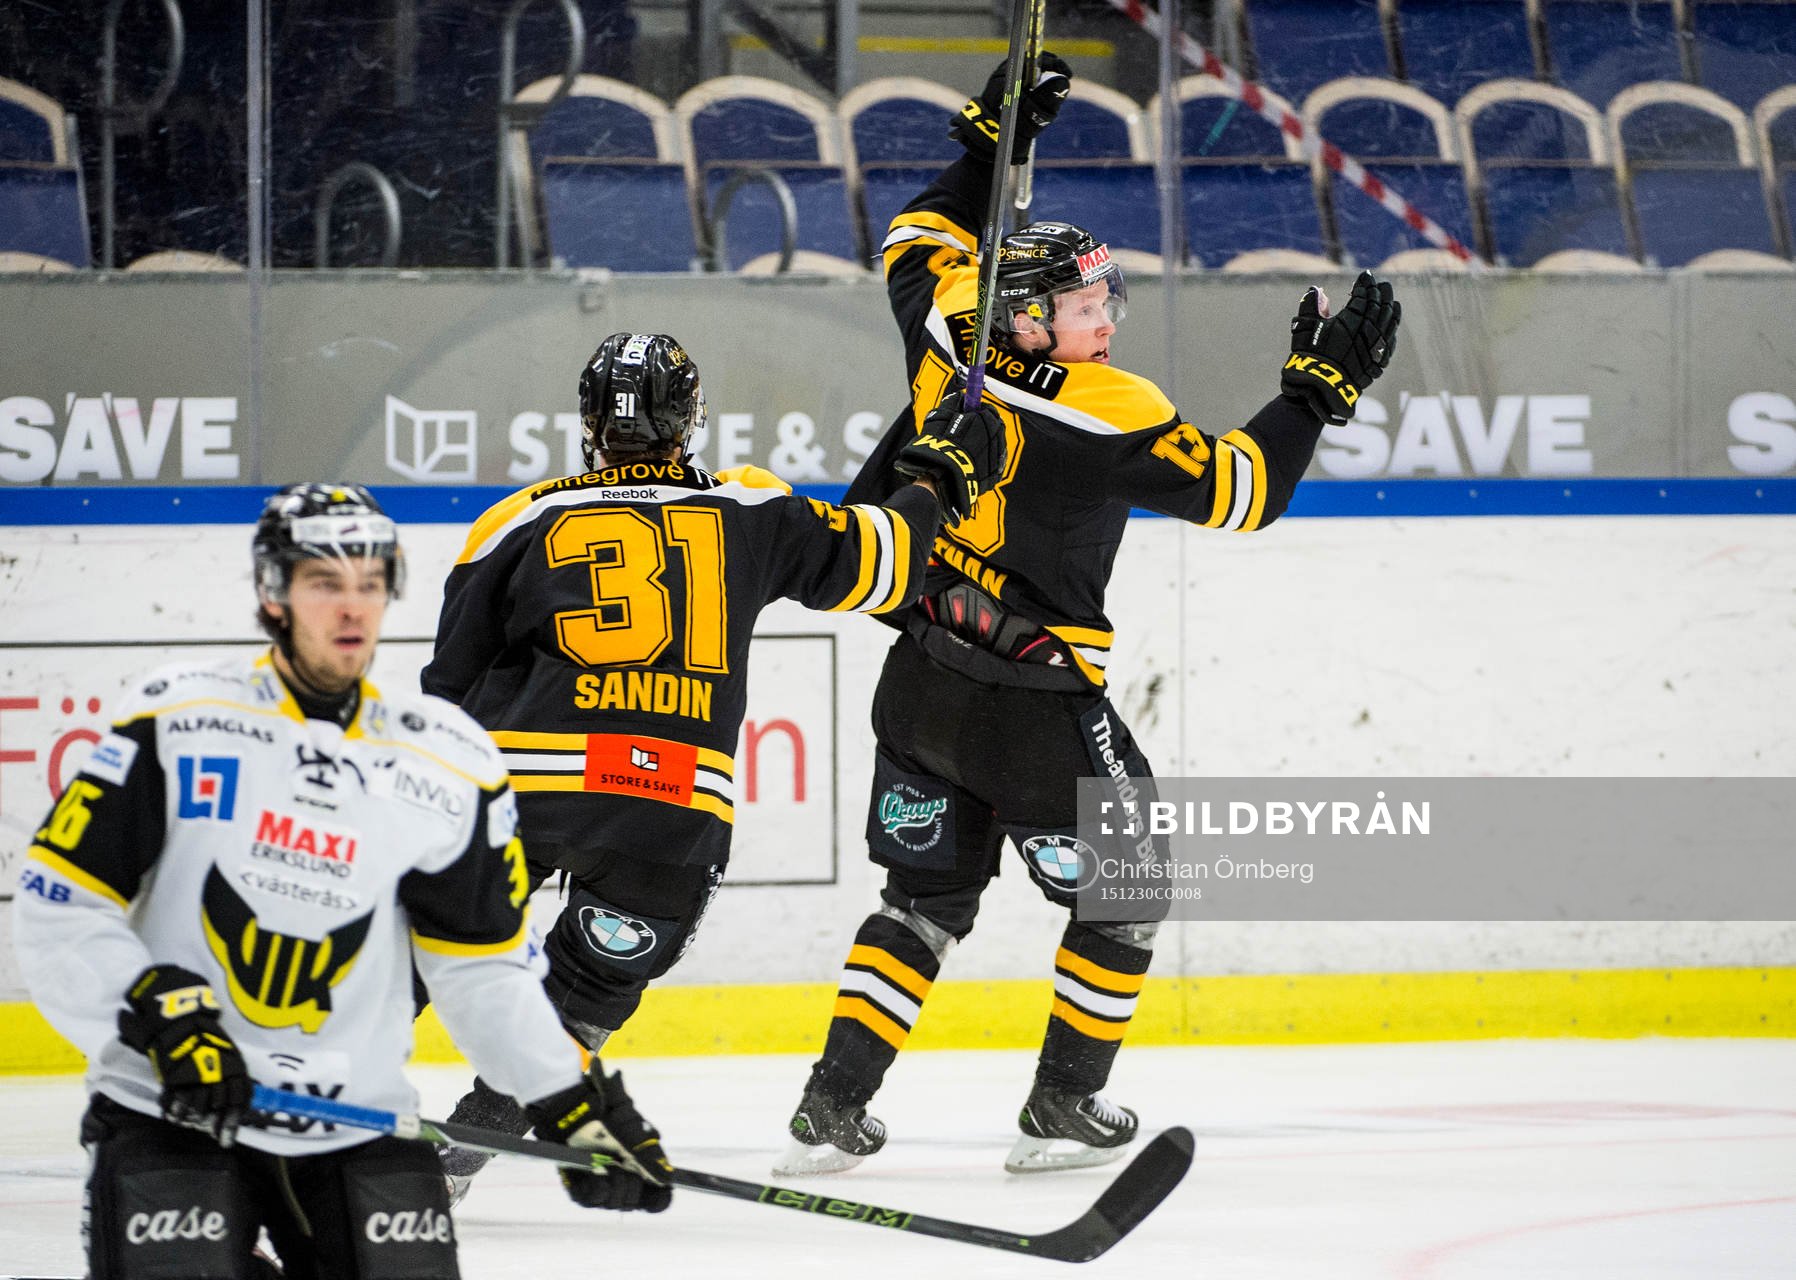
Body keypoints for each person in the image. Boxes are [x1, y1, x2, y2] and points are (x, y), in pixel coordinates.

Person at [775, 56, 1401, 1176]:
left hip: (918, 682)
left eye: (1105, 298)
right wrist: (1316, 386)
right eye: (1078, 306)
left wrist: (987, 140)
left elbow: (914, 236)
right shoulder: (1107, 412)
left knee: (923, 898)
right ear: (1026, 321)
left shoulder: (947, 326)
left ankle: (834, 1098)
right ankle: (1062, 1103)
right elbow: (1241, 492)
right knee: (1135, 882)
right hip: (1031, 705)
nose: (1103, 321)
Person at [12, 483, 677, 1280]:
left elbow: (482, 970)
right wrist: (156, 1015)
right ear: (273, 591)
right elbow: (62, 906)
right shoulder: (177, 722)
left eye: (369, 582)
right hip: (176, 1107)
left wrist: (571, 1099)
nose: (351, 606)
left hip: (355, 1119)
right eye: (325, 582)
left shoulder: (446, 759)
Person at [419, 332, 1004, 1199]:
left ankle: (319, 1095)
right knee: (594, 978)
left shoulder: (518, 517)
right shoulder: (748, 506)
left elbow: (446, 690)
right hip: (669, 803)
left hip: (521, 791)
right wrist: (940, 476)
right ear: (692, 418)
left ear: (587, 421)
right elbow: (882, 564)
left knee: (425, 948)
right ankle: (472, 1140)